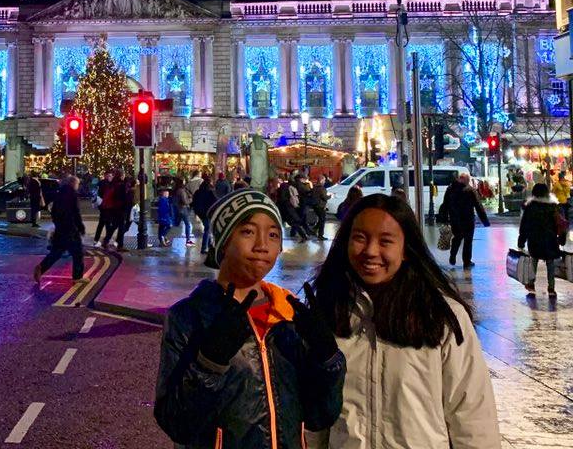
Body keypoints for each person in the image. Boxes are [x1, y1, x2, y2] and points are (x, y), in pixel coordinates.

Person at [155, 189, 346, 447]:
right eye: (247, 232)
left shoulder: (289, 315)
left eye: (273, 235)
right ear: (223, 241)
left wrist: (328, 360)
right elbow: (177, 424)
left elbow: (319, 415)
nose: (262, 245)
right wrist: (209, 363)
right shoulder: (189, 317)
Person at [308, 193, 500, 448]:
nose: (370, 251)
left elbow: (472, 415)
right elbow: (313, 419)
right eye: (360, 238)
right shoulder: (327, 313)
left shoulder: (441, 316)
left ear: (406, 249)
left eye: (385, 241)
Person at [33, 175, 86, 284]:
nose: (78, 186)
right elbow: (75, 212)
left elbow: (54, 210)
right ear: (73, 184)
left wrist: (57, 224)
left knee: (56, 252)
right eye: (77, 184)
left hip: (60, 228)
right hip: (70, 228)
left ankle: (41, 268)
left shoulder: (59, 193)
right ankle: (77, 277)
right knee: (78, 252)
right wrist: (80, 227)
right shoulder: (72, 194)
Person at [518, 183, 564, 298]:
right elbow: (561, 224)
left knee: (533, 260)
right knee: (550, 262)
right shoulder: (553, 206)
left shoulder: (530, 207)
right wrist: (561, 239)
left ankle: (531, 283)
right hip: (550, 239)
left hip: (534, 239)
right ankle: (552, 287)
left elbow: (524, 225)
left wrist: (521, 240)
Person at [438, 172, 490, 268]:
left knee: (457, 238)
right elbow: (478, 206)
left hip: (454, 219)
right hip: (468, 220)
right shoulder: (470, 190)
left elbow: (445, 204)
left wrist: (444, 218)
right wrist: (485, 221)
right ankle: (466, 262)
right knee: (468, 241)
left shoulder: (450, 189)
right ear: (466, 180)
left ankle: (453, 255)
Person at [191, 175, 217, 253]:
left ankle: (209, 245)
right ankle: (204, 248)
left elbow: (194, 201)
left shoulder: (198, 192)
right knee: (207, 229)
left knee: (207, 228)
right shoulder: (210, 192)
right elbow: (215, 201)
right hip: (207, 213)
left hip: (200, 213)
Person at [172, 177, 195, 246]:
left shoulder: (177, 190)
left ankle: (164, 236)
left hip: (178, 209)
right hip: (183, 209)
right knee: (187, 225)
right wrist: (191, 199)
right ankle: (188, 240)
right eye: (184, 181)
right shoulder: (181, 191)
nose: (185, 182)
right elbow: (185, 201)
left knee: (175, 224)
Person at [93, 170, 114, 245]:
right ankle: (106, 240)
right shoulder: (106, 184)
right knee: (106, 223)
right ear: (105, 176)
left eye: (111, 176)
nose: (110, 177)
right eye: (109, 176)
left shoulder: (102, 183)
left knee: (103, 223)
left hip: (103, 206)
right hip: (105, 206)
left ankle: (98, 239)